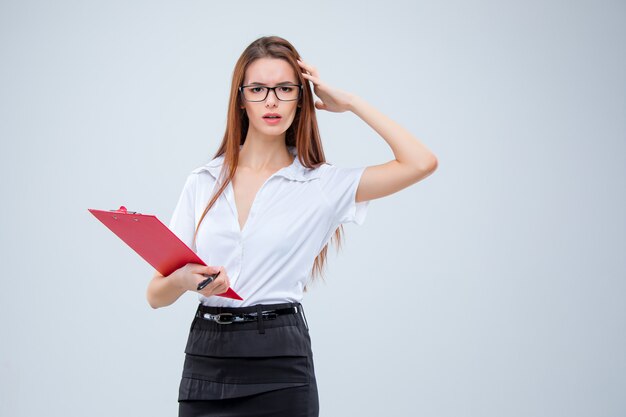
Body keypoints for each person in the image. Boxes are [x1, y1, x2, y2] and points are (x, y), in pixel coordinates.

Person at [146, 35, 438, 417]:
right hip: (207, 357)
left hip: (280, 360)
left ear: (301, 98)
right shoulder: (203, 181)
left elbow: (421, 162)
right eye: (258, 89)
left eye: (285, 89)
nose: (271, 101)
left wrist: (351, 103)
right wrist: (186, 281)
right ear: (241, 98)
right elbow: (156, 295)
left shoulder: (322, 184)